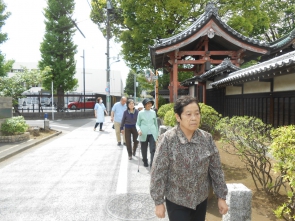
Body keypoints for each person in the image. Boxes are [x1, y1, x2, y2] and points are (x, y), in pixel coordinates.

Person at [150, 96, 228, 221]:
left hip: (201, 200)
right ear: (178, 117)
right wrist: (158, 202)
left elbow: (216, 170)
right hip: (177, 201)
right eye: (188, 114)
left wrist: (221, 197)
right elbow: (158, 172)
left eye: (197, 114)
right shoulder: (167, 140)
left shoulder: (206, 138)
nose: (194, 118)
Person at [136, 98, 158, 167]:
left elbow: (156, 124)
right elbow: (137, 123)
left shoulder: (153, 112)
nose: (149, 105)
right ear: (144, 105)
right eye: (148, 103)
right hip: (143, 133)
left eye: (150, 103)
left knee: (153, 149)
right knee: (144, 149)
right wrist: (139, 130)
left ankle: (152, 163)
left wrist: (157, 134)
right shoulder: (140, 113)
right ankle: (145, 161)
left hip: (152, 133)